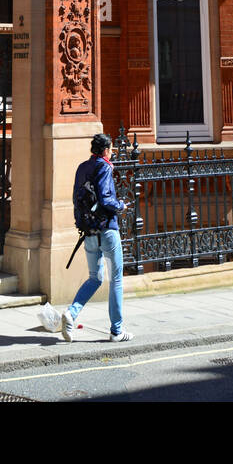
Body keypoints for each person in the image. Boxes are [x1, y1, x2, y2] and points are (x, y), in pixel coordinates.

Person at [62, 132, 132, 343]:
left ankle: (71, 314)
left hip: (89, 233)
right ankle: (117, 331)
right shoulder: (104, 166)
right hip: (107, 232)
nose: (112, 153)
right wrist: (121, 206)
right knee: (116, 279)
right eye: (110, 150)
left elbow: (76, 199)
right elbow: (106, 199)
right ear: (105, 151)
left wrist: (81, 224)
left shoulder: (82, 167)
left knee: (95, 278)